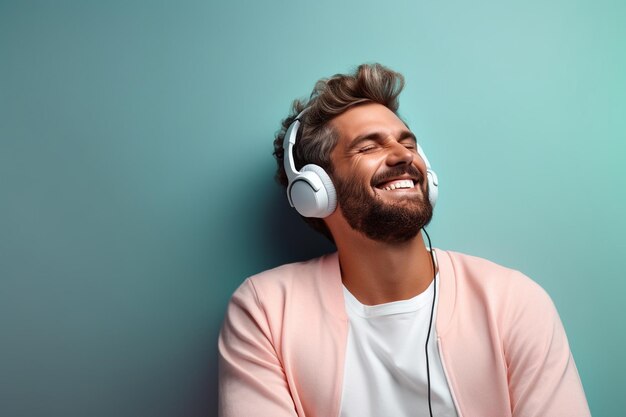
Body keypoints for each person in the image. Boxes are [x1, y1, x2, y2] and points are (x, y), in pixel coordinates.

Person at [218, 63, 591, 417]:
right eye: (369, 146)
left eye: (407, 143)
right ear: (316, 190)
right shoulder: (267, 311)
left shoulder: (512, 302)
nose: (402, 156)